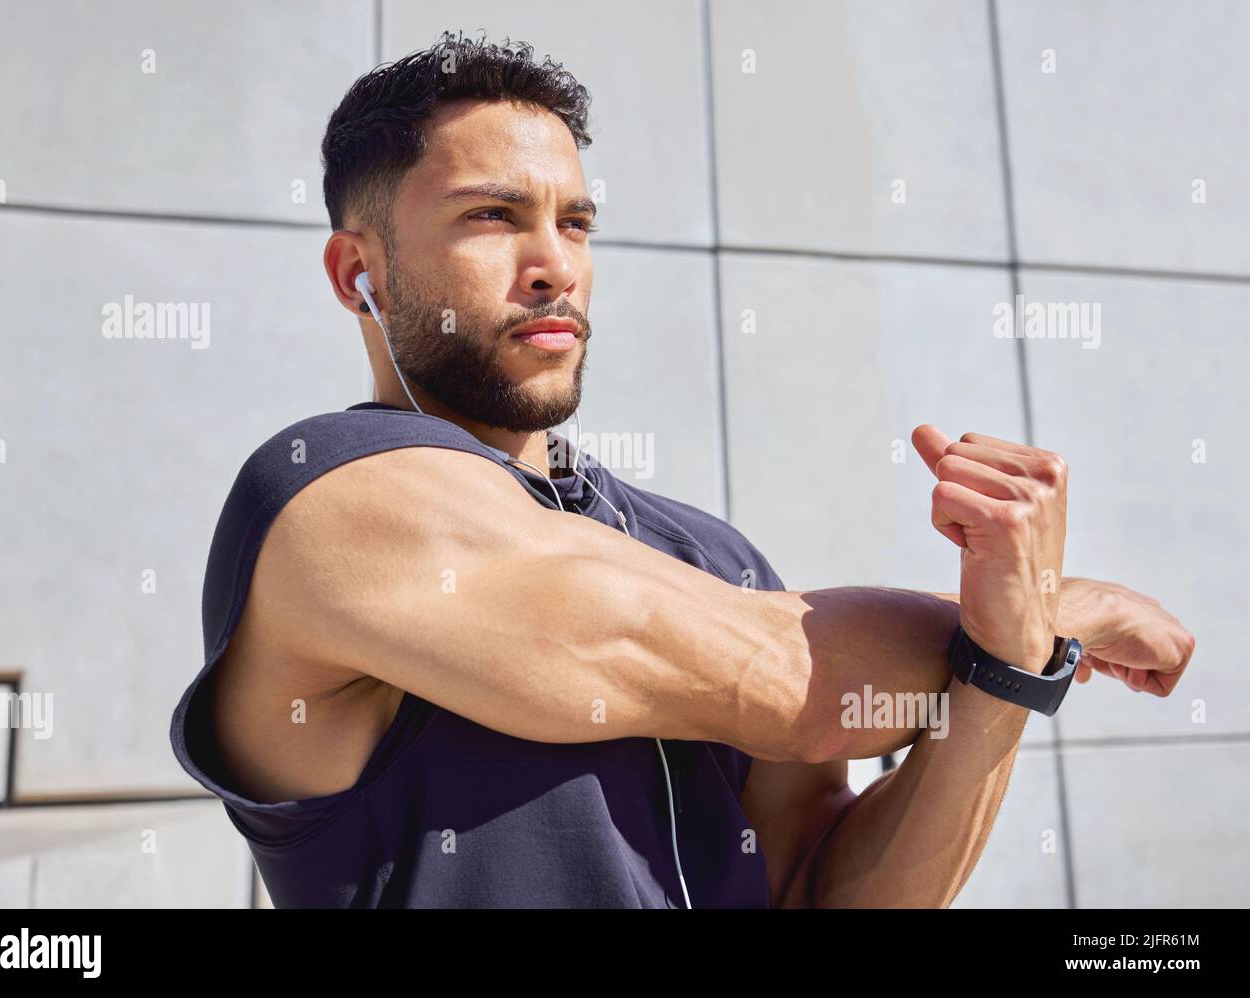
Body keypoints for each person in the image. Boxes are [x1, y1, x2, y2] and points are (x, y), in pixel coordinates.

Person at [169, 30, 1195, 908]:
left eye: (573, 222)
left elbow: (816, 886)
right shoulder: (327, 497)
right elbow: (795, 680)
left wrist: (1007, 669)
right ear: (361, 272)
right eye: (492, 215)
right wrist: (1048, 604)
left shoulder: (705, 550)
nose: (554, 263)